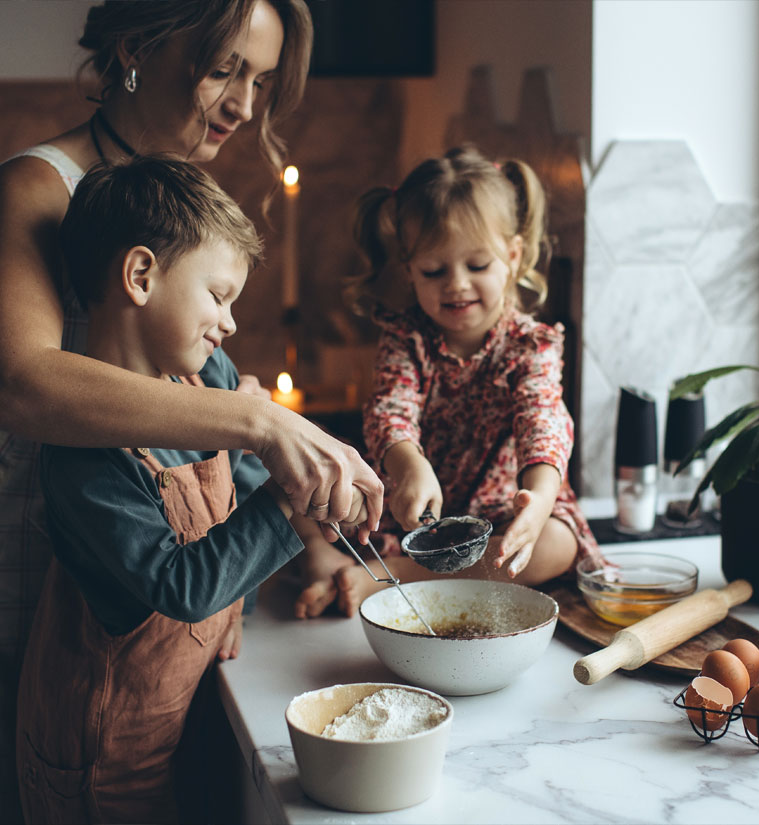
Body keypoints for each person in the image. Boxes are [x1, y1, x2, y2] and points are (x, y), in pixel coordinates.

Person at [0, 2, 382, 821]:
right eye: (224, 70)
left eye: (262, 80)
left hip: (161, 644)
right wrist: (264, 423)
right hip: (40, 603)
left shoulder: (171, 198)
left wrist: (314, 541)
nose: (245, 106)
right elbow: (26, 384)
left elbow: (209, 389)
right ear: (136, 49)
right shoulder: (38, 186)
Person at [296, 145, 603, 617]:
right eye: (435, 271)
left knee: (555, 545)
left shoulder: (531, 344)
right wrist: (408, 467)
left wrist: (539, 500)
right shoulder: (405, 337)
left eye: (477, 266)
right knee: (306, 480)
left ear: (513, 256)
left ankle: (377, 578)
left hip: (496, 515)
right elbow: (391, 410)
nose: (456, 284)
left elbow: (543, 419)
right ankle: (324, 560)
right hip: (414, 508)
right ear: (409, 272)